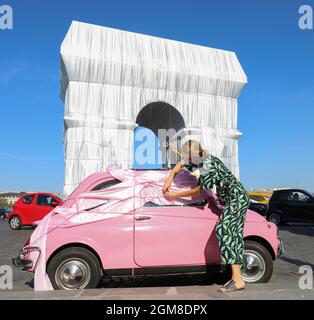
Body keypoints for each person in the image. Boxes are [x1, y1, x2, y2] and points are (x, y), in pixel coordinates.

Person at [162, 140, 250, 293]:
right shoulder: (198, 161)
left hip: (238, 198)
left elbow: (200, 189)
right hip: (235, 199)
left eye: (188, 157)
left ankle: (237, 278)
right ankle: (237, 278)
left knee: (224, 230)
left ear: (194, 155)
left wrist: (175, 194)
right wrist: (168, 181)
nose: (186, 160)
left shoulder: (207, 164)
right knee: (234, 235)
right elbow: (180, 165)